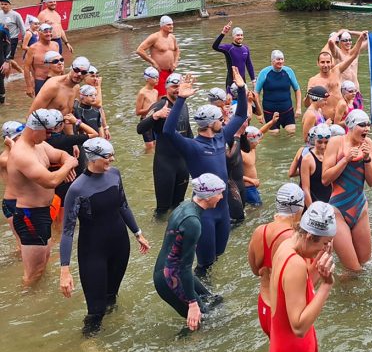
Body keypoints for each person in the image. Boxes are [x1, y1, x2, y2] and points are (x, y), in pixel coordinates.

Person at [59, 138, 150, 336]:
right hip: (93, 251)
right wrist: (65, 270)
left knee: (111, 295)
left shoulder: (115, 175)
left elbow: (123, 205)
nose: (113, 159)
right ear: (93, 158)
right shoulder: (77, 189)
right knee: (95, 307)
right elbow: (67, 231)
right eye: (108, 156)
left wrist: (138, 233)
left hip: (119, 245)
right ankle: (88, 340)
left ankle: (111, 325)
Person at [163, 69, 248, 272]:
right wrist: (181, 99)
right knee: (205, 263)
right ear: (210, 123)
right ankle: (201, 299)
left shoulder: (221, 137)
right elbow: (168, 131)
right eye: (220, 118)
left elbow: (242, 115)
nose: (224, 120)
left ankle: (210, 289)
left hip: (222, 207)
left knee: (218, 255)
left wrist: (242, 89)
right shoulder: (192, 146)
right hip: (204, 211)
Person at [268, 202, 336, 352]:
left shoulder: (287, 245)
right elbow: (298, 327)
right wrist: (327, 286)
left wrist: (319, 262)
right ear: (309, 236)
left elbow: (301, 289)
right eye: (324, 243)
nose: (326, 248)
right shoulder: (295, 264)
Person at [6, 109, 79, 286]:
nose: (48, 137)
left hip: (43, 213)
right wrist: (69, 164)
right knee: (33, 273)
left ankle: (37, 297)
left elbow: (60, 154)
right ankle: (26, 304)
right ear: (34, 128)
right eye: (47, 132)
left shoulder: (39, 145)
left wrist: (65, 161)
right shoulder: (22, 153)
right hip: (30, 215)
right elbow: (51, 181)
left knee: (44, 261)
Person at [152, 173, 226, 330]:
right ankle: (179, 350)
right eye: (219, 193)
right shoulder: (193, 223)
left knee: (214, 300)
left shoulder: (185, 205)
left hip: (168, 270)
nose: (221, 197)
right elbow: (185, 267)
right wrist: (192, 303)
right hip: (170, 278)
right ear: (207, 196)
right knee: (200, 320)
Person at [320, 109, 372, 272]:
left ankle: (351, 293)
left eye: (368, 125)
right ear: (350, 126)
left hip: (360, 208)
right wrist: (345, 159)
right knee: (354, 269)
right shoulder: (336, 142)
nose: (366, 128)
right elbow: (325, 179)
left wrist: (366, 159)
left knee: (366, 265)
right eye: (362, 125)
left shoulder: (368, 144)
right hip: (338, 210)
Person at [248, 183, 305, 337]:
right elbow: (307, 280)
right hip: (283, 312)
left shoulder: (259, 231)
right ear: (300, 208)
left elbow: (255, 270)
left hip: (264, 308)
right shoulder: (294, 240)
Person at [136, 73, 192, 214]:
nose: (177, 89)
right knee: (163, 208)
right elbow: (140, 128)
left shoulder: (183, 105)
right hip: (165, 164)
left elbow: (189, 133)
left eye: (179, 86)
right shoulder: (160, 105)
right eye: (174, 86)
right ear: (167, 87)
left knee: (179, 205)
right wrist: (155, 116)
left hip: (182, 163)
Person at [308, 36, 365, 119]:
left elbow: (353, 56)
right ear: (318, 63)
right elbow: (308, 105)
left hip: (342, 115)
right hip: (326, 120)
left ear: (332, 63)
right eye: (322, 62)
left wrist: (360, 39)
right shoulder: (313, 80)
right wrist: (307, 97)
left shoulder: (337, 71)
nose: (325, 65)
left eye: (328, 62)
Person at [29, 55, 92, 120]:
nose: (79, 74)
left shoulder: (76, 88)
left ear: (86, 74)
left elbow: (69, 115)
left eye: (83, 72)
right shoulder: (53, 85)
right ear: (71, 68)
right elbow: (32, 115)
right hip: (47, 128)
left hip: (63, 127)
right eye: (76, 70)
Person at [256, 50, 302, 134]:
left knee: (291, 132)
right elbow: (256, 93)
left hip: (287, 110)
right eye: (278, 59)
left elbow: (297, 89)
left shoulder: (288, 71)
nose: (280, 61)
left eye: (282, 59)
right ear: (272, 61)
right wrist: (259, 113)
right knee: (275, 134)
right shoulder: (264, 73)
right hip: (269, 111)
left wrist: (298, 108)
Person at [135, 16, 179, 98]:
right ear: (162, 26)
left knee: (173, 95)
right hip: (159, 73)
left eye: (172, 24)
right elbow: (140, 50)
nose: (171, 26)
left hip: (170, 72)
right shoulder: (155, 37)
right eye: (168, 25)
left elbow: (177, 50)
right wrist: (153, 62)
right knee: (161, 96)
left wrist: (175, 62)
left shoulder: (172, 37)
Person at [326, 30, 369, 108]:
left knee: (359, 117)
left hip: (356, 92)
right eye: (345, 40)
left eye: (349, 40)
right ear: (340, 42)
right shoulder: (337, 54)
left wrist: (349, 31)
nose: (348, 42)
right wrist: (339, 33)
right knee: (345, 117)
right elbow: (330, 42)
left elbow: (368, 38)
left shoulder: (355, 52)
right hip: (344, 94)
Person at [1, 120, 25, 254]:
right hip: (12, 204)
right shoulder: (5, 159)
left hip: (22, 201)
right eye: (20, 136)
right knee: (22, 242)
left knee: (27, 241)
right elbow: (19, 161)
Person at [242, 120, 278, 205]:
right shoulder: (240, 153)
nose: (258, 142)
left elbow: (261, 132)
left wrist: (272, 122)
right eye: (256, 140)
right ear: (249, 141)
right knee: (257, 209)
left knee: (256, 207)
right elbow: (232, 174)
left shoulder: (252, 148)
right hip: (247, 188)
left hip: (253, 186)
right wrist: (251, 180)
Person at [212, 21, 256, 90]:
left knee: (244, 100)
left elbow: (249, 65)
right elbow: (215, 46)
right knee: (232, 100)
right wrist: (223, 33)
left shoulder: (245, 49)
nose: (240, 37)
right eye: (237, 35)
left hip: (242, 82)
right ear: (233, 36)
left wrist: (253, 81)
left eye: (241, 35)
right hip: (231, 82)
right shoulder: (228, 48)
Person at [298, 124, 334, 205]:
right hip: (312, 203)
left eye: (326, 142)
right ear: (314, 140)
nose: (323, 146)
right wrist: (311, 210)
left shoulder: (331, 156)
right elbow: (305, 189)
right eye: (319, 142)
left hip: (328, 203)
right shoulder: (307, 160)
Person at [23, 23, 61, 97]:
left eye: (50, 31)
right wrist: (29, 86)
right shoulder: (33, 48)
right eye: (45, 32)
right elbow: (26, 67)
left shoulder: (55, 45)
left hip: (55, 79)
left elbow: (60, 63)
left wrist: (64, 78)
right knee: (41, 106)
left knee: (58, 104)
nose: (48, 34)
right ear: (39, 33)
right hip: (41, 80)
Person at [136, 67, 160, 151]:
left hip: (155, 120)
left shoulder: (156, 92)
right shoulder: (142, 93)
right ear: (147, 79)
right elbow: (138, 112)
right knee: (149, 146)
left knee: (156, 144)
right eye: (155, 77)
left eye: (158, 77)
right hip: (146, 120)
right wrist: (150, 109)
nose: (157, 79)